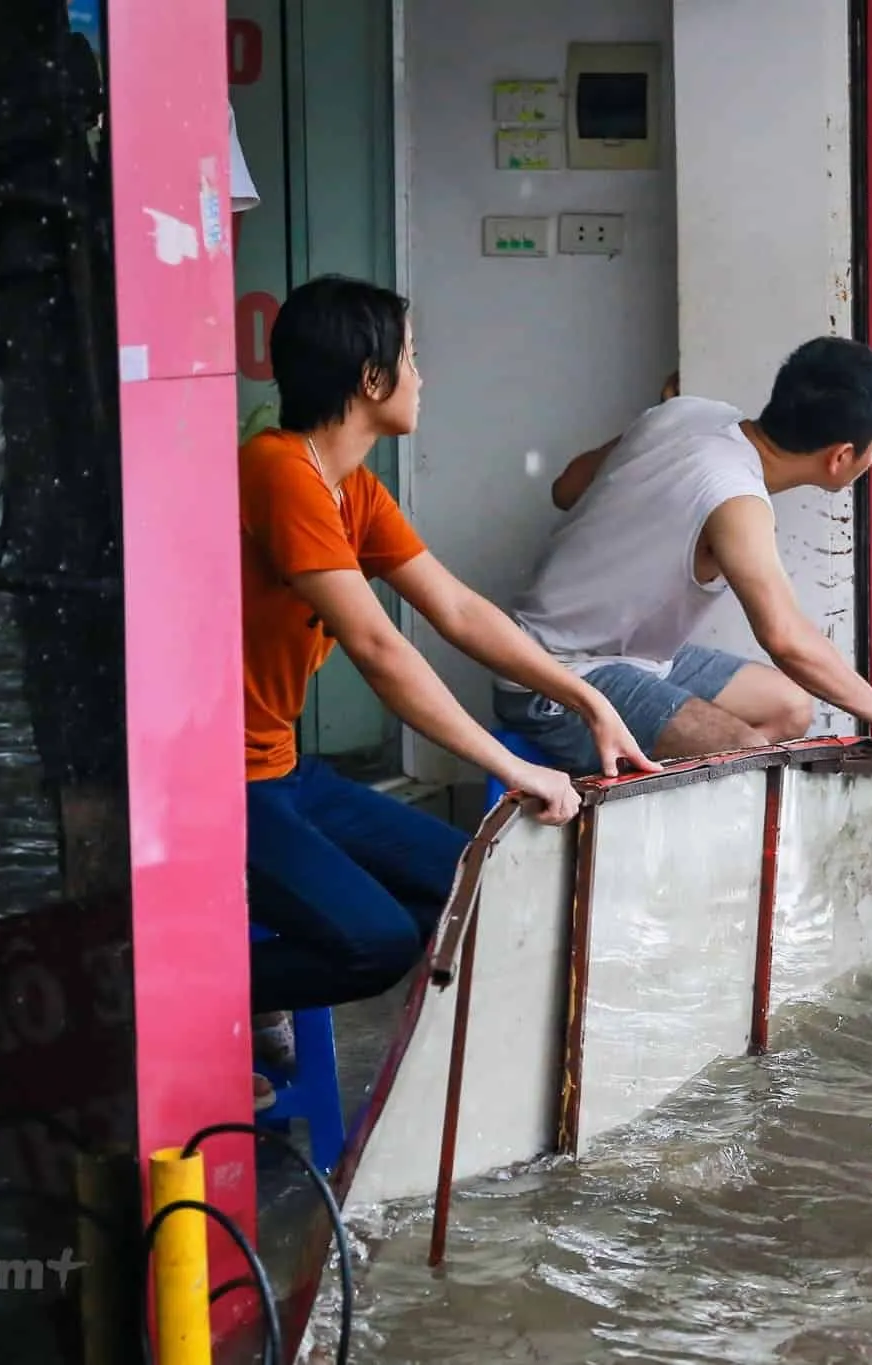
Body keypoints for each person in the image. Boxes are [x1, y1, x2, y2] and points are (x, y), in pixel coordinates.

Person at [241, 275, 656, 1101]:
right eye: (414, 358)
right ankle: (202, 995)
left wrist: (590, 699)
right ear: (370, 379)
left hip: (283, 769)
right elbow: (378, 647)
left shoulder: (349, 486)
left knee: (484, 875)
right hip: (224, 788)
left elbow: (459, 609)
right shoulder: (279, 471)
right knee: (376, 942)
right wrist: (519, 769)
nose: (423, 377)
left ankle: (464, 1102)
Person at [494, 337, 872, 772]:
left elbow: (566, 487)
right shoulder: (735, 499)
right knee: (745, 753)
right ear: (841, 456)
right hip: (551, 678)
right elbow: (786, 639)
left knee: (788, 708)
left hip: (630, 654)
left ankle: (661, 792)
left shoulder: (686, 414)